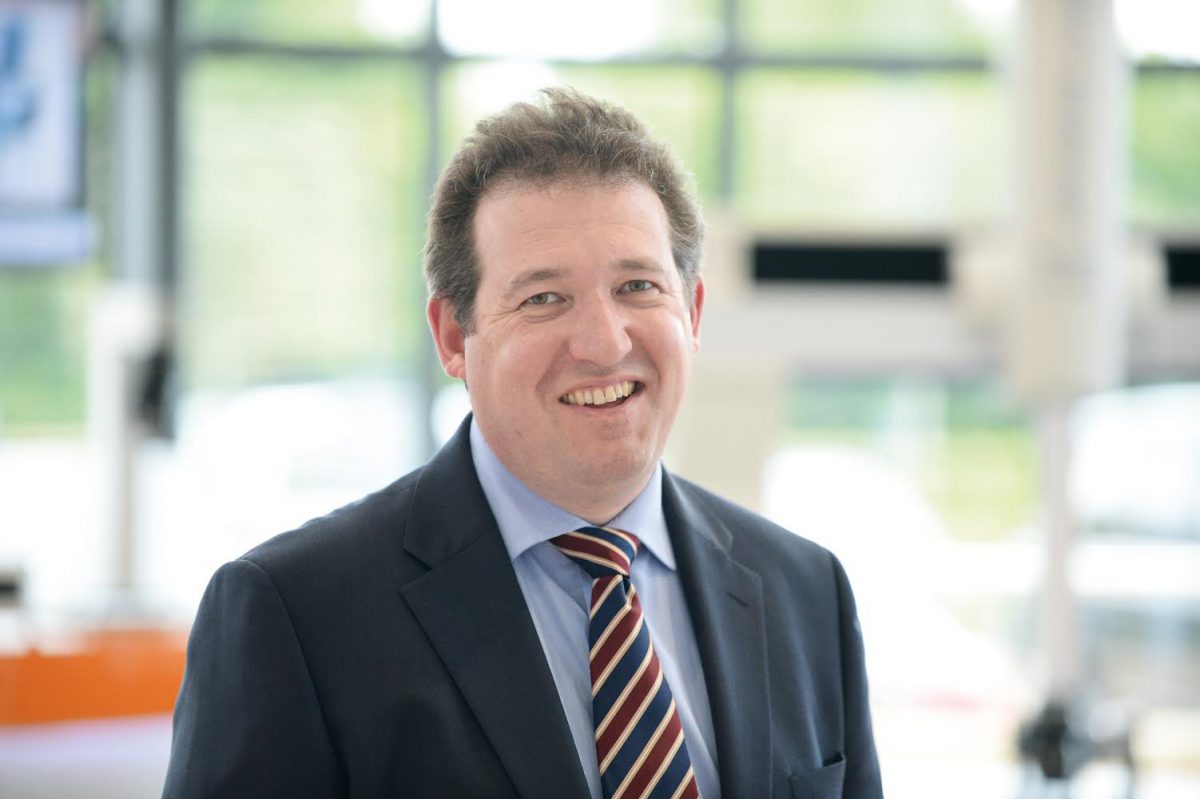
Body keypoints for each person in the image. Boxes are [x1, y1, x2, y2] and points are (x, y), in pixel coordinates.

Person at [163, 87, 882, 799]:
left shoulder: (805, 591)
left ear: (692, 312)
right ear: (454, 336)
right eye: (543, 298)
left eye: (637, 286)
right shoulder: (296, 613)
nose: (604, 342)